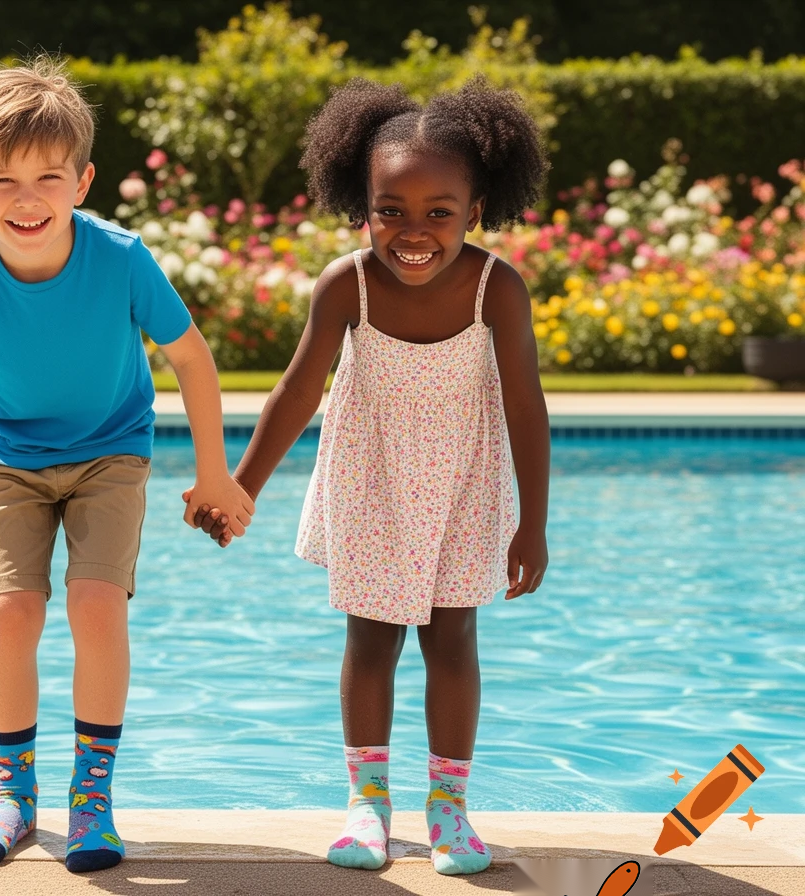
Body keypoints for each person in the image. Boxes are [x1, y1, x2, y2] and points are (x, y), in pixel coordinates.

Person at [187, 76, 550, 875]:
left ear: (477, 208)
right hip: (373, 478)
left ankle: (450, 809)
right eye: (391, 209)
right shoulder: (345, 284)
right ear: (361, 202)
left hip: (464, 483)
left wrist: (534, 521)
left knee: (452, 635)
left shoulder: (499, 289)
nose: (412, 230)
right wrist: (237, 484)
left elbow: (527, 407)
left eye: (439, 211)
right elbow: (297, 389)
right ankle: (368, 805)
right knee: (372, 637)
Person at [0, 56, 254, 871]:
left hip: (111, 451)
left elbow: (191, 359)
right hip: (10, 459)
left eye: (48, 177)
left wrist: (214, 472)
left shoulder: (123, 258)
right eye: (1, 181)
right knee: (11, 615)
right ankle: (14, 795)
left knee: (96, 606)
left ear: (83, 180)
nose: (27, 198)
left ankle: (92, 798)